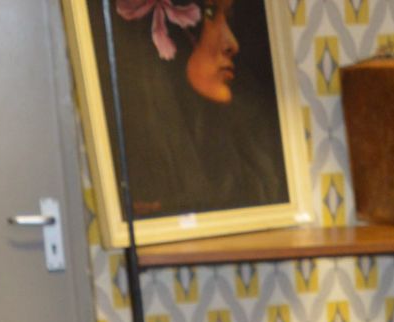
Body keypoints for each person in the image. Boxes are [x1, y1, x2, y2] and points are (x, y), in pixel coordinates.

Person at [93, 0, 289, 220]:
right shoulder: (142, 166)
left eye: (228, 17)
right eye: (209, 13)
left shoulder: (244, 146)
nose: (232, 44)